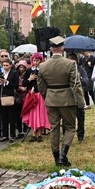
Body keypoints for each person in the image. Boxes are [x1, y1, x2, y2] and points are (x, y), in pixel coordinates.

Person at [37, 36, 85, 166]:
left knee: (54, 128)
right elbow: (76, 84)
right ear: (62, 48)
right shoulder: (70, 64)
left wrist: (48, 96)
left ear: (51, 49)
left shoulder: (42, 66)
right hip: (67, 100)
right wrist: (81, 103)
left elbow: (41, 86)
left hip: (51, 99)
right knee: (70, 128)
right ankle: (63, 155)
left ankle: (56, 157)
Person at [22, 52, 47, 142]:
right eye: (34, 60)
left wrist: (35, 87)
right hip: (31, 96)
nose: (36, 62)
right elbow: (24, 83)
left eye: (37, 60)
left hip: (40, 95)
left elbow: (45, 82)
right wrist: (30, 79)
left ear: (41, 61)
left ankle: (40, 134)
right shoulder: (29, 71)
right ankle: (33, 134)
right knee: (32, 114)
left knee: (40, 114)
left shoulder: (43, 70)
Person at [68, 53, 89, 142]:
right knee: (68, 119)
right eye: (70, 59)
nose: (72, 61)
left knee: (80, 118)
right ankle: (68, 135)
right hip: (68, 97)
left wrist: (79, 77)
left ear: (77, 60)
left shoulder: (81, 69)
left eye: (74, 59)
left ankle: (80, 136)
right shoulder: (65, 70)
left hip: (78, 97)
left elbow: (86, 82)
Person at [0, 58, 18, 143]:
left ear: (10, 65)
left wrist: (7, 82)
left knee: (11, 117)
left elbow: (15, 85)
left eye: (7, 65)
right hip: (3, 98)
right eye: (4, 65)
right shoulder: (1, 74)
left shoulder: (14, 73)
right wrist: (0, 83)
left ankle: (12, 135)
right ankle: (5, 135)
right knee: (4, 118)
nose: (5, 67)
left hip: (11, 97)